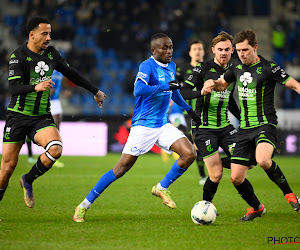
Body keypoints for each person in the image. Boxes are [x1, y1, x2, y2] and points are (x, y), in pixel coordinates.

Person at [73, 33, 201, 222]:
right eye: (164, 48)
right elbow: (138, 90)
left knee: (189, 153)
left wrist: (189, 111)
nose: (169, 51)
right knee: (121, 169)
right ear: (153, 50)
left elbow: (174, 93)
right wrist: (164, 86)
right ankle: (84, 205)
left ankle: (161, 187)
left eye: (171, 47)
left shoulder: (172, 66)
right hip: (143, 126)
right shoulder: (147, 66)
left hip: (162, 124)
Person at [0, 16, 106, 209]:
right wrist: (36, 87)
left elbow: (71, 73)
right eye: (44, 33)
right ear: (32, 35)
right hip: (17, 117)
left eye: (50, 33)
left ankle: (28, 179)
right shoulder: (19, 56)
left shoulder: (51, 54)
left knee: (55, 149)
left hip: (41, 117)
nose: (48, 37)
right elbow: (13, 88)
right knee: (6, 169)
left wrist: (95, 91)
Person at [201, 29, 300, 221]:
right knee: (236, 178)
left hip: (265, 124)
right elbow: (222, 84)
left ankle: (291, 196)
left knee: (263, 160)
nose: (241, 54)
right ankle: (257, 208)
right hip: (244, 130)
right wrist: (211, 83)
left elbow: (295, 85)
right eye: (238, 51)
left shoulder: (269, 68)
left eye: (245, 50)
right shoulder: (236, 68)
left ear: (255, 47)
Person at [181, 31, 241, 205]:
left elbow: (229, 100)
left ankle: (214, 162)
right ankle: (205, 206)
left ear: (233, 50)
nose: (223, 52)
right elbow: (184, 91)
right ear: (213, 50)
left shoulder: (234, 71)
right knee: (216, 175)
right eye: (220, 49)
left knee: (249, 161)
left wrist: (242, 119)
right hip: (204, 126)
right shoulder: (203, 68)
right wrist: (201, 92)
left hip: (225, 126)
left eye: (227, 49)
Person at [176, 40, 208, 185]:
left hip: (208, 111)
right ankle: (202, 175)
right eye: (194, 49)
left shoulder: (209, 69)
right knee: (198, 144)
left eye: (200, 49)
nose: (197, 51)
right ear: (190, 52)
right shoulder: (183, 70)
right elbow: (175, 87)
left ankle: (210, 172)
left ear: (204, 52)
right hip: (189, 113)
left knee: (205, 144)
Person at [49, 69, 64, 167]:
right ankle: (51, 154)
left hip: (56, 100)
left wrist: (66, 90)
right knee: (54, 127)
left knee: (57, 127)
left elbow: (62, 83)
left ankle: (53, 154)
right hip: (48, 100)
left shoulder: (60, 71)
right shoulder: (48, 69)